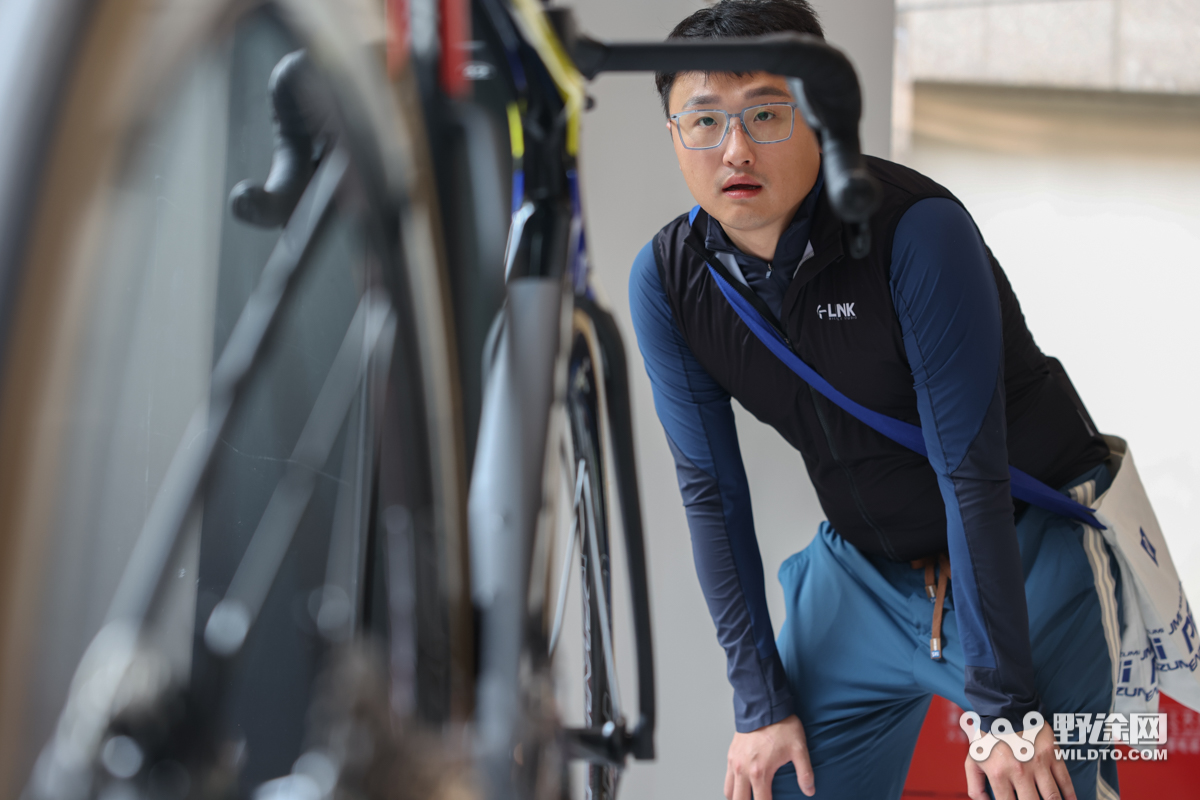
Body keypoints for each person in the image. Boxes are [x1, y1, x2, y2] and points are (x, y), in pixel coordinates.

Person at [627, 2, 1121, 799]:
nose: (736, 148)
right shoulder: (670, 284)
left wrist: (1005, 708)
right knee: (780, 776)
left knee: (1032, 785)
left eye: (765, 112)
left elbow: (971, 467)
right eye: (704, 120)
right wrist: (759, 702)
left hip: (1026, 549)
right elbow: (711, 493)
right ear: (675, 136)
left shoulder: (915, 232)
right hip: (863, 572)